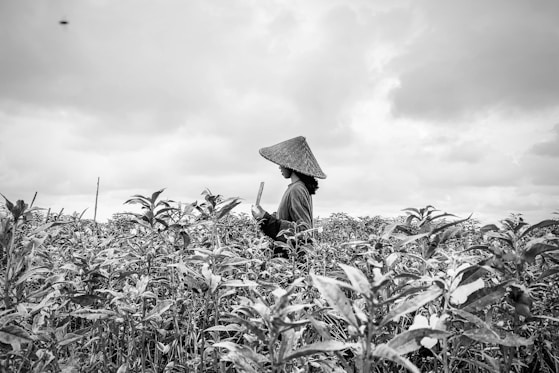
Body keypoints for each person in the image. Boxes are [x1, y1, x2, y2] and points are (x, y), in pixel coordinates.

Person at [251, 136, 326, 258]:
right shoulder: (297, 187)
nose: (280, 166)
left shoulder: (297, 189)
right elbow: (287, 219)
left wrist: (265, 218)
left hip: (292, 260)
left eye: (282, 163)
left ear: (290, 165)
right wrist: (263, 217)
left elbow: (303, 231)